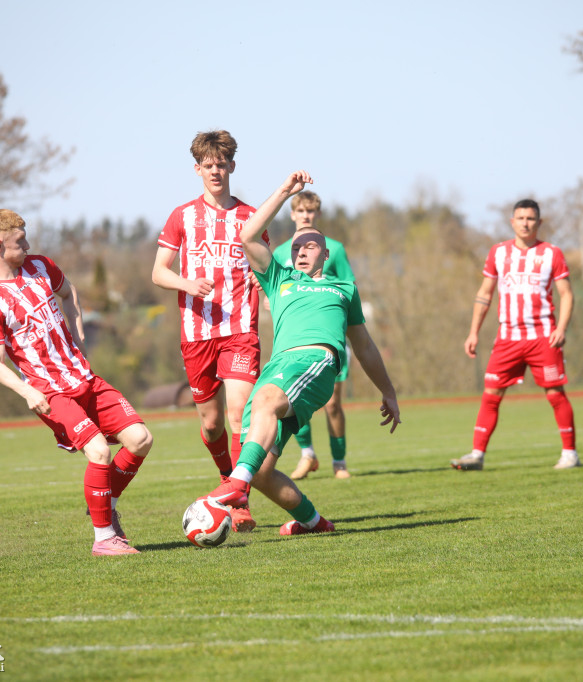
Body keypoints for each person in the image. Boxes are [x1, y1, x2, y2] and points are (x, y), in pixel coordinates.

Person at [203, 170, 401, 536]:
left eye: (309, 246)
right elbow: (247, 235)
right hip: (279, 367)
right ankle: (313, 522)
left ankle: (235, 486)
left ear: (326, 253)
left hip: (316, 361)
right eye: (296, 248)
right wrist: (283, 192)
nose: (301, 251)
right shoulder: (280, 279)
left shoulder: (343, 288)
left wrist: (387, 390)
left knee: (265, 402)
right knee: (262, 470)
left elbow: (365, 346)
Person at [0, 209, 154, 557]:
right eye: (20, 241)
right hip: (51, 393)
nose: (28, 246)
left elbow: (69, 292)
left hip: (84, 376)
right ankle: (104, 538)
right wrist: (27, 391)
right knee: (99, 451)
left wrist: (79, 335)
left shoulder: (40, 266)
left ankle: (105, 502)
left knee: (141, 439)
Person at [152, 130, 264, 533]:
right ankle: (225, 476)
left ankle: (239, 499)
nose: (215, 171)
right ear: (197, 169)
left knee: (238, 414)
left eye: (221, 164)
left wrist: (261, 277)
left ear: (232, 166)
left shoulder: (252, 217)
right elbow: (158, 272)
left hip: (239, 329)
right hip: (197, 331)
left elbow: (265, 265)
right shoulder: (181, 216)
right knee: (212, 423)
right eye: (208, 165)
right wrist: (187, 284)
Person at [451, 199, 578, 472]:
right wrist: (473, 332)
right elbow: (485, 294)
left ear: (539, 222)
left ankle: (570, 454)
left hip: (543, 337)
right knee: (491, 394)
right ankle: (476, 455)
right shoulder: (498, 253)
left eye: (530, 218)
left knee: (555, 393)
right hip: (507, 337)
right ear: (512, 222)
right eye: (520, 218)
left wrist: (561, 328)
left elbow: (566, 294)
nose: (525, 223)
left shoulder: (552, 253)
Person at [272, 191, 355, 480]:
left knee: (333, 403)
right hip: (294, 341)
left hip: (329, 342)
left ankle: (339, 462)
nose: (305, 215)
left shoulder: (334, 249)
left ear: (317, 214)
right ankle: (308, 454)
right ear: (292, 214)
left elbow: (348, 290)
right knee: (293, 401)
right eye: (301, 211)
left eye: (311, 211)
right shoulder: (281, 253)